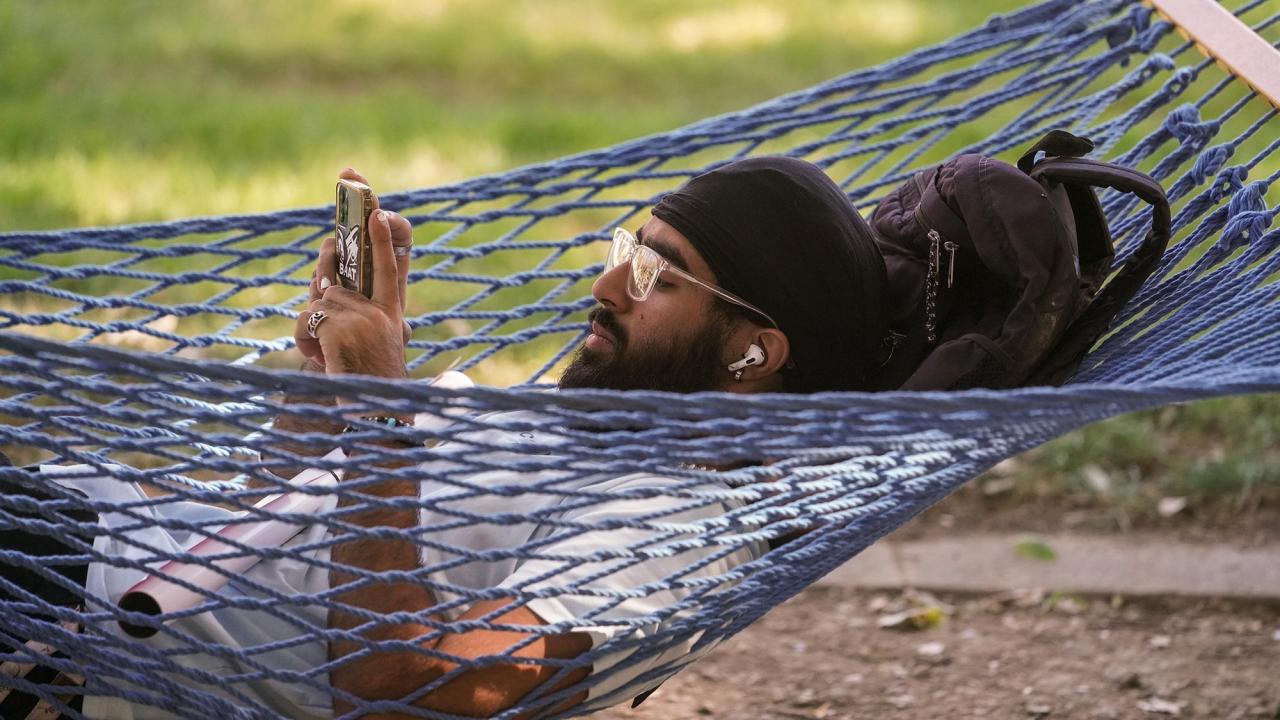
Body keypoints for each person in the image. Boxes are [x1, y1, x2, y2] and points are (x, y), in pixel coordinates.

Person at [0, 157, 889, 719]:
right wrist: (329, 382)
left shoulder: (677, 537)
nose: (608, 282)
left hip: (78, 602)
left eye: (657, 273)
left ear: (754, 352)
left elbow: (406, 680)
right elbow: (258, 524)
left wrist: (384, 406)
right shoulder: (594, 431)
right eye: (628, 245)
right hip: (96, 543)